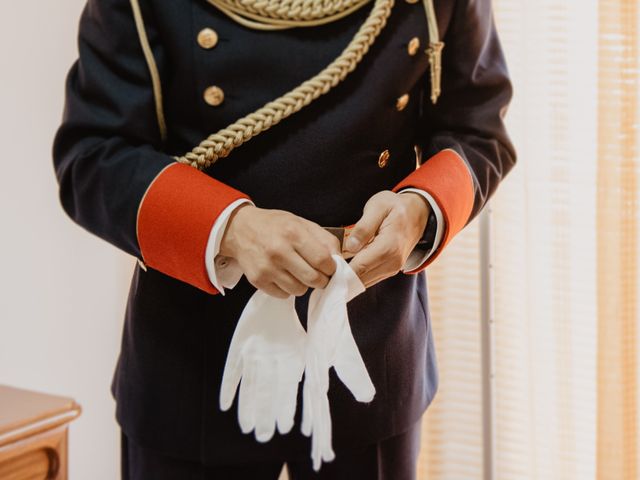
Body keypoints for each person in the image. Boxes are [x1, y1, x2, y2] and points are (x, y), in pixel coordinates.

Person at [52, 0, 516, 477]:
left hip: (369, 340)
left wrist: (420, 208)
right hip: (194, 359)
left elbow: (478, 130)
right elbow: (92, 155)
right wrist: (229, 228)